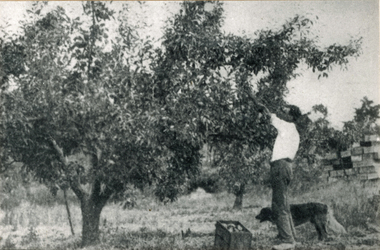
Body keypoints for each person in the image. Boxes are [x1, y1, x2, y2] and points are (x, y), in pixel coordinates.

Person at [260, 103, 302, 250]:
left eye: (284, 112)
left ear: (291, 116)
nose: (281, 113)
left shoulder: (287, 126)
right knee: (283, 204)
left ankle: (287, 241)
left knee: (278, 205)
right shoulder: (294, 131)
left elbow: (269, 115)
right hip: (286, 167)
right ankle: (292, 237)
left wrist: (259, 105)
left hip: (280, 167)